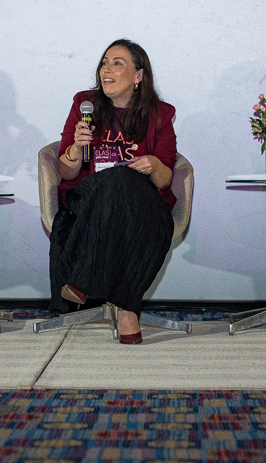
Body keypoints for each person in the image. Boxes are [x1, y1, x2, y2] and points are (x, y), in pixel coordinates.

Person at [50, 39, 177, 344]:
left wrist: (153, 163)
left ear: (138, 75)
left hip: (139, 206)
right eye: (105, 62)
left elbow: (165, 179)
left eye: (117, 63)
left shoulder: (159, 114)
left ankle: (86, 281)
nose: (106, 68)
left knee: (125, 181)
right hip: (88, 198)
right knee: (116, 180)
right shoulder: (85, 105)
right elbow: (65, 172)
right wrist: (76, 149)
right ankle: (127, 311)